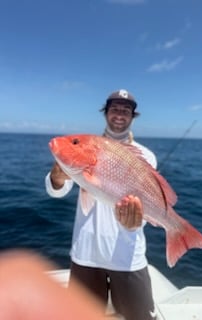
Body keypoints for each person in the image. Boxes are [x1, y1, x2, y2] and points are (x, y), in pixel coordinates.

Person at [45, 89, 158, 320]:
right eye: (114, 109)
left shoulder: (146, 156)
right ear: (106, 113)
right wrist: (57, 178)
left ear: (132, 116)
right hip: (86, 253)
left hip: (128, 255)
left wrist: (137, 221)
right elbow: (57, 191)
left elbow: (147, 204)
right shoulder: (86, 146)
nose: (119, 114)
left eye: (125, 110)